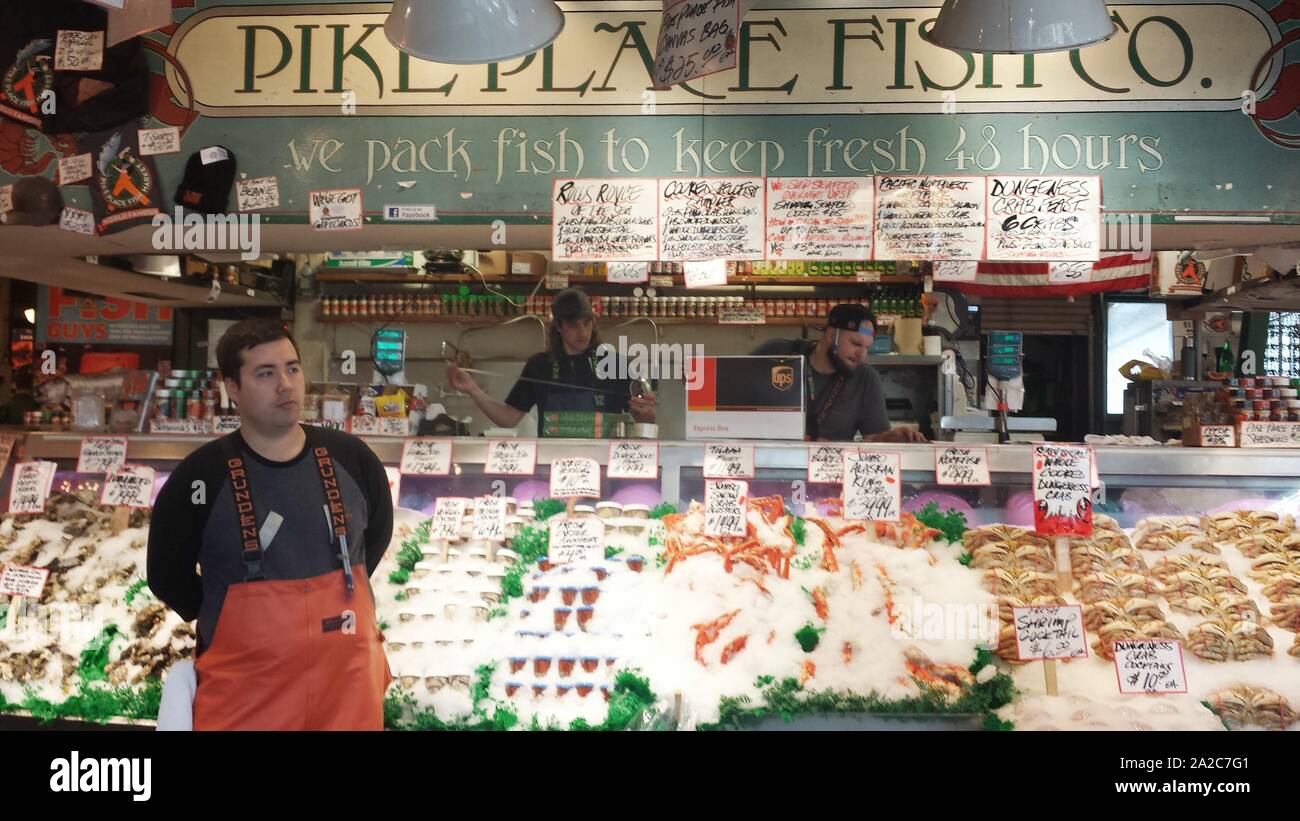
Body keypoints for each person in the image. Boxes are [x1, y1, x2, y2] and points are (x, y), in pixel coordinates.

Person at [147, 319, 394, 730]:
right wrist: (223, 614)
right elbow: (166, 574)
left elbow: (374, 542)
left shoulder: (353, 459)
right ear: (232, 388)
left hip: (347, 695)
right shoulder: (201, 476)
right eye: (265, 373)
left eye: (292, 368)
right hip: (246, 701)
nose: (285, 384)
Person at [447, 288, 657, 435]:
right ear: (558, 326)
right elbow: (508, 418)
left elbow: (645, 422)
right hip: (553, 466)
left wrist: (645, 411)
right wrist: (472, 388)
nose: (583, 333)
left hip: (603, 468)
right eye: (574, 325)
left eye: (587, 323)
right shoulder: (539, 366)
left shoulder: (615, 364)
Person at [753, 303, 927, 443]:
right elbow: (731, 397)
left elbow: (873, 439)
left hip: (829, 471)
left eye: (867, 347)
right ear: (830, 335)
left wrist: (895, 437)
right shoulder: (777, 353)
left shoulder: (865, 378)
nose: (862, 355)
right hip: (769, 461)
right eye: (856, 343)